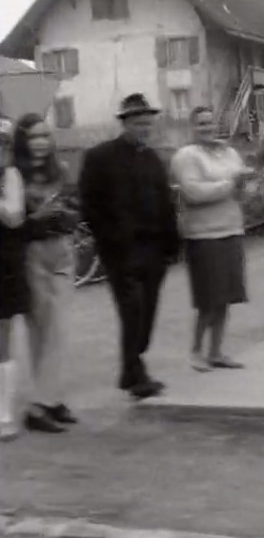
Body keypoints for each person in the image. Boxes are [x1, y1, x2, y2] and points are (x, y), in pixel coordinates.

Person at [79, 93, 180, 400]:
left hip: (153, 249)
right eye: (138, 123)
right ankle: (134, 374)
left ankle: (132, 368)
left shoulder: (153, 159)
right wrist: (109, 238)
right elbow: (89, 204)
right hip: (121, 251)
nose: (144, 129)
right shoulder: (100, 157)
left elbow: (166, 203)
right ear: (124, 124)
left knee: (147, 312)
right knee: (132, 311)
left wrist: (172, 243)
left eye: (148, 124)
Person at [170, 106, 251, 371]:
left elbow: (243, 188)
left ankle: (216, 351)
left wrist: (247, 187)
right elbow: (193, 192)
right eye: (201, 124)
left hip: (231, 229)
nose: (207, 128)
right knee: (208, 299)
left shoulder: (229, 152)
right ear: (192, 127)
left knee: (227, 297)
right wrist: (230, 185)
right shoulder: (186, 156)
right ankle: (195, 351)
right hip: (204, 235)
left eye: (210, 122)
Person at [14, 113, 79, 432]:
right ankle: (38, 406)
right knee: (42, 329)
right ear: (23, 142)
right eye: (33, 137)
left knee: (61, 329)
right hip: (33, 253)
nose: (40, 142)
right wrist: (37, 216)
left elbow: (76, 207)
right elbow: (14, 226)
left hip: (62, 251)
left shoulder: (61, 170)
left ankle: (51, 398)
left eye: (44, 135)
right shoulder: (15, 176)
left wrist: (67, 213)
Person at [0, 117, 27, 441]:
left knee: (3, 336)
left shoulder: (11, 176)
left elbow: (14, 216)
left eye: (5, 143)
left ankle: (4, 412)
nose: (2, 150)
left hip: (4, 263)